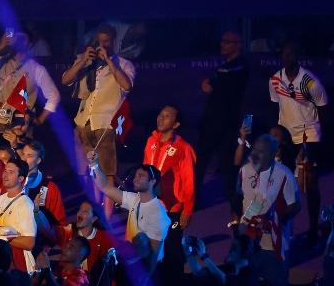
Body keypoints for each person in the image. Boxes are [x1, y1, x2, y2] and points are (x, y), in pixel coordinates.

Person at [63, 25, 135, 217]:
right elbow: (65, 80)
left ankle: (108, 218)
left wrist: (110, 62)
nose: (101, 45)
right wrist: (83, 61)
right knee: (89, 172)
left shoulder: (124, 64)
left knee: (107, 173)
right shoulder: (85, 60)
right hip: (83, 122)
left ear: (113, 42)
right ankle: (97, 212)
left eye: (106, 42)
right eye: (98, 41)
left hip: (105, 125)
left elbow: (127, 85)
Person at [238, 134, 300, 286]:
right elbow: (241, 197)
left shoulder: (284, 175)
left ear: (273, 154)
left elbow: (295, 205)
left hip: (272, 242)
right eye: (254, 148)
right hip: (249, 239)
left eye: (261, 150)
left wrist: (274, 220)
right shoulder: (245, 171)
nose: (255, 153)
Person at [269, 42, 329, 245]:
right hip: (286, 137)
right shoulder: (275, 80)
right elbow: (278, 106)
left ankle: (313, 230)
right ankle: (286, 228)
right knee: (284, 183)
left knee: (310, 185)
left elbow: (322, 108)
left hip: (308, 137)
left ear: (298, 56)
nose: (286, 57)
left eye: (290, 53)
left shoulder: (311, 82)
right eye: (284, 53)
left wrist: (312, 132)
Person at [195, 31, 249, 220]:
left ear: (238, 45)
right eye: (222, 41)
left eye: (227, 42)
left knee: (228, 166)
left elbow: (217, 83)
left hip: (225, 124)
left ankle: (236, 206)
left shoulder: (239, 65)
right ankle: (193, 201)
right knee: (200, 162)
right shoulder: (226, 67)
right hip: (211, 122)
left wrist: (212, 83)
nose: (222, 45)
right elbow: (213, 83)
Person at [143, 105, 196, 271]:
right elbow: (145, 170)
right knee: (149, 248)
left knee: (171, 250)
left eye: (167, 116)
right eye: (160, 114)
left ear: (175, 125)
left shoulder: (183, 148)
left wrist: (187, 209)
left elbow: (189, 180)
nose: (161, 118)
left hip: (171, 207)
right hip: (150, 204)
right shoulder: (151, 141)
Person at [91, 161, 169, 266]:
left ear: (152, 182)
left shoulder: (157, 214)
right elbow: (105, 187)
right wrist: (94, 165)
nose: (135, 179)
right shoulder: (134, 199)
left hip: (146, 265)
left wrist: (144, 280)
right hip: (132, 259)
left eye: (140, 176)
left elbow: (153, 255)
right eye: (136, 175)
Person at [0, 31, 60, 126]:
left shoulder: (36, 68)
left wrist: (41, 119)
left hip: (22, 124)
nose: (19, 41)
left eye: (22, 39)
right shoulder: (2, 61)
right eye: (17, 38)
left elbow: (54, 96)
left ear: (29, 44)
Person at [0, 158, 37, 271]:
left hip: (18, 263)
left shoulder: (25, 203)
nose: (5, 175)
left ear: (21, 178)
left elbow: (29, 243)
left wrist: (2, 236)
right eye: (5, 171)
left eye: (11, 172)